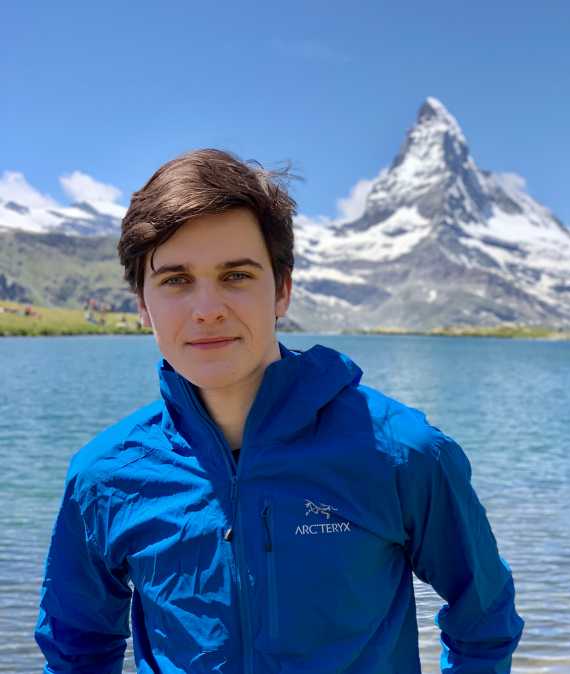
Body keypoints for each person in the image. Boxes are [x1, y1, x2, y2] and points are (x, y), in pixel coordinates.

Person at [35, 149, 524, 673]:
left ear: (282, 290)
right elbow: (76, 652)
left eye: (236, 276)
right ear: (142, 305)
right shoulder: (105, 477)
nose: (206, 309)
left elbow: (483, 619)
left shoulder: (403, 453)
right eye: (176, 280)